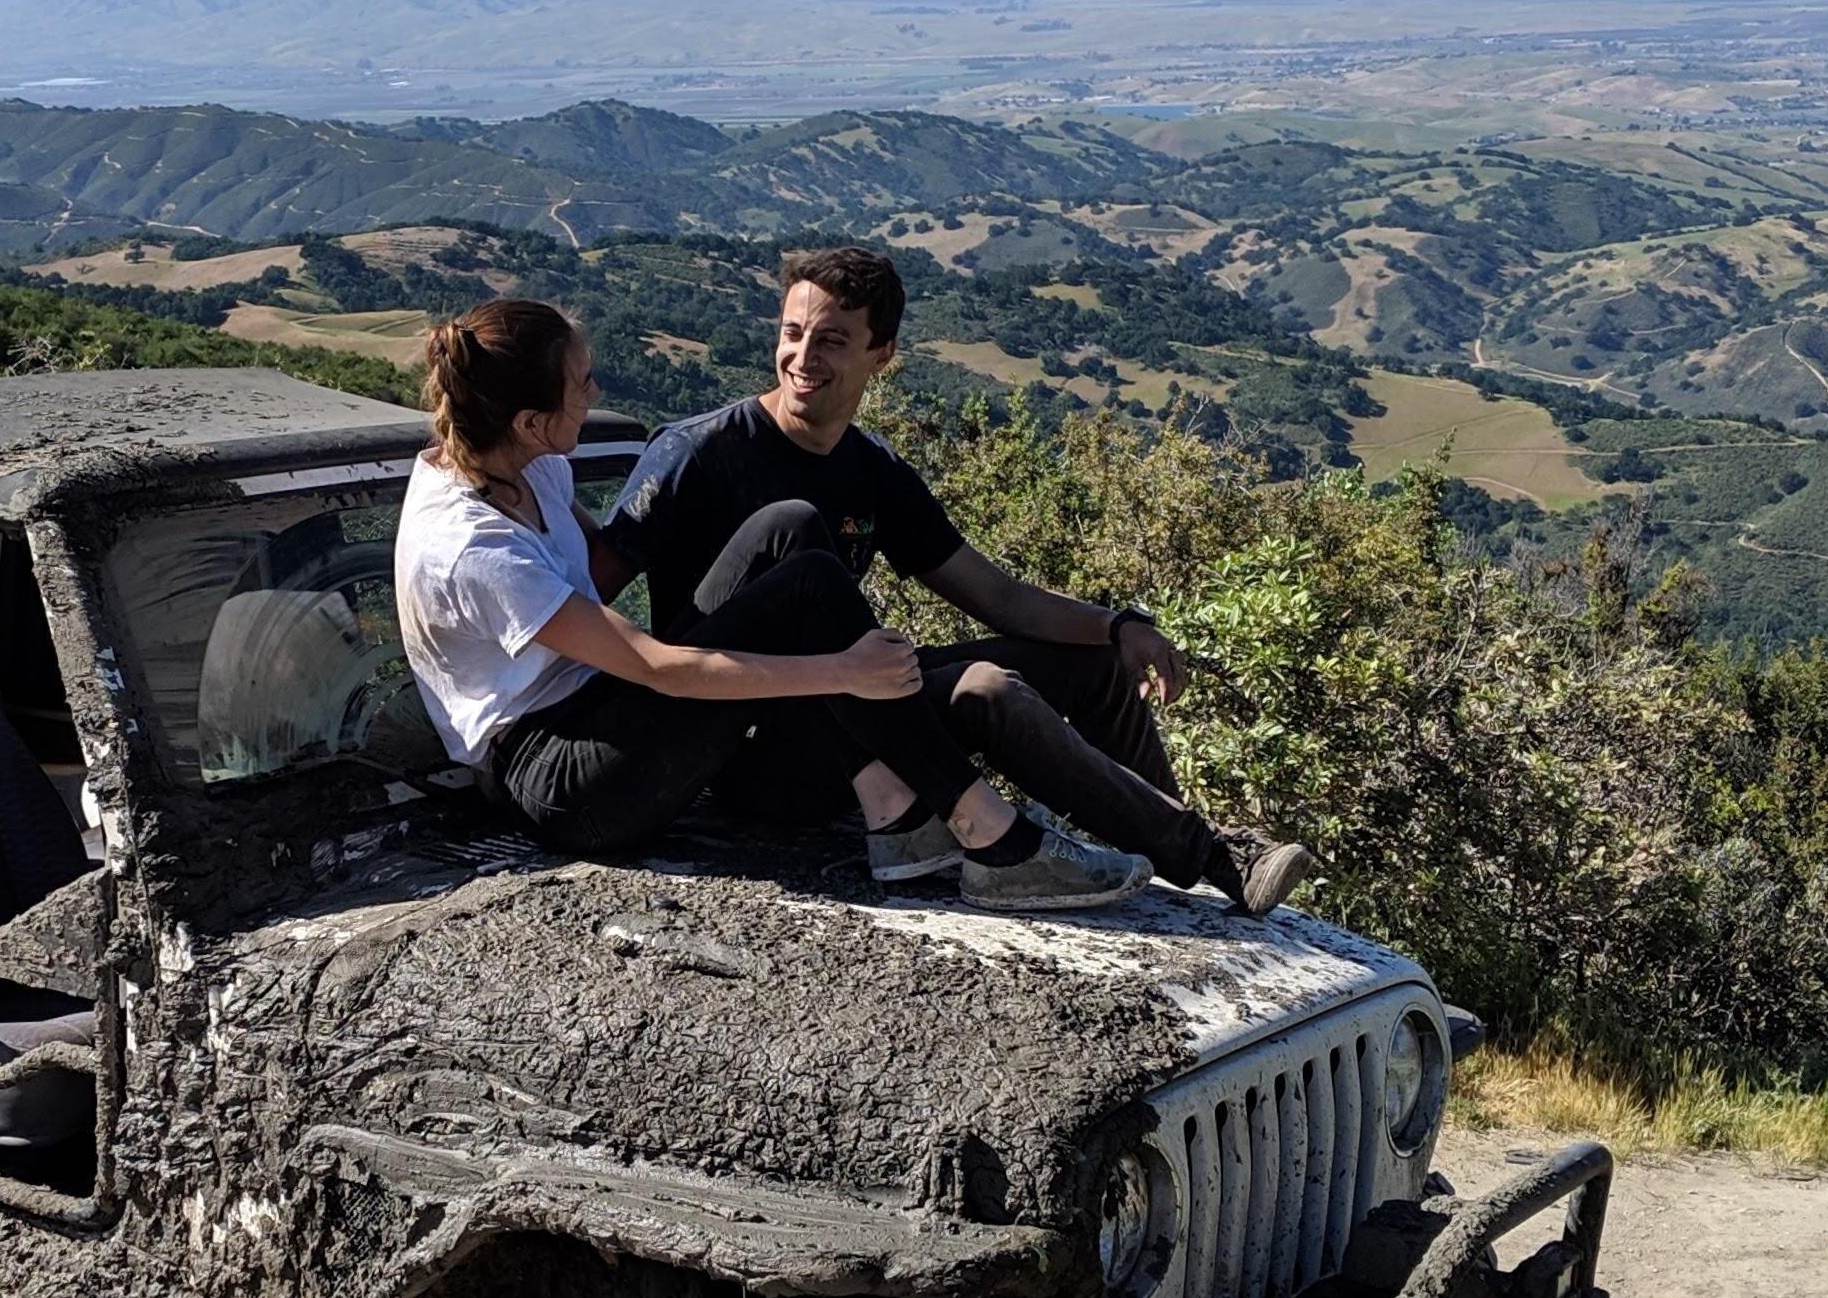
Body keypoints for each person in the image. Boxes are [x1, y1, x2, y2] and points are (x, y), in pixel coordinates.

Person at [601, 243, 1310, 910]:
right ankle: (1214, 856)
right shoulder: (699, 452)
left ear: (883, 354)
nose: (801, 356)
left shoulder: (870, 469)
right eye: (792, 333)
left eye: (831, 340)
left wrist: (1118, 625)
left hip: (859, 707)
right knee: (986, 689)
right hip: (753, 749)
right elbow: (588, 590)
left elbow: (996, 596)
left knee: (1095, 663)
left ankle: (1171, 858)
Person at [391, 296, 1145, 913]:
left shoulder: (527, 465)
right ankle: (990, 836)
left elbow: (591, 581)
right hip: (564, 780)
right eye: (580, 384)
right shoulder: (470, 546)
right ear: (527, 421)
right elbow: (657, 665)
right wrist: (840, 669)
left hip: (603, 712)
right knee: (812, 591)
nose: (594, 395)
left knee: (789, 530)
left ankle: (896, 812)